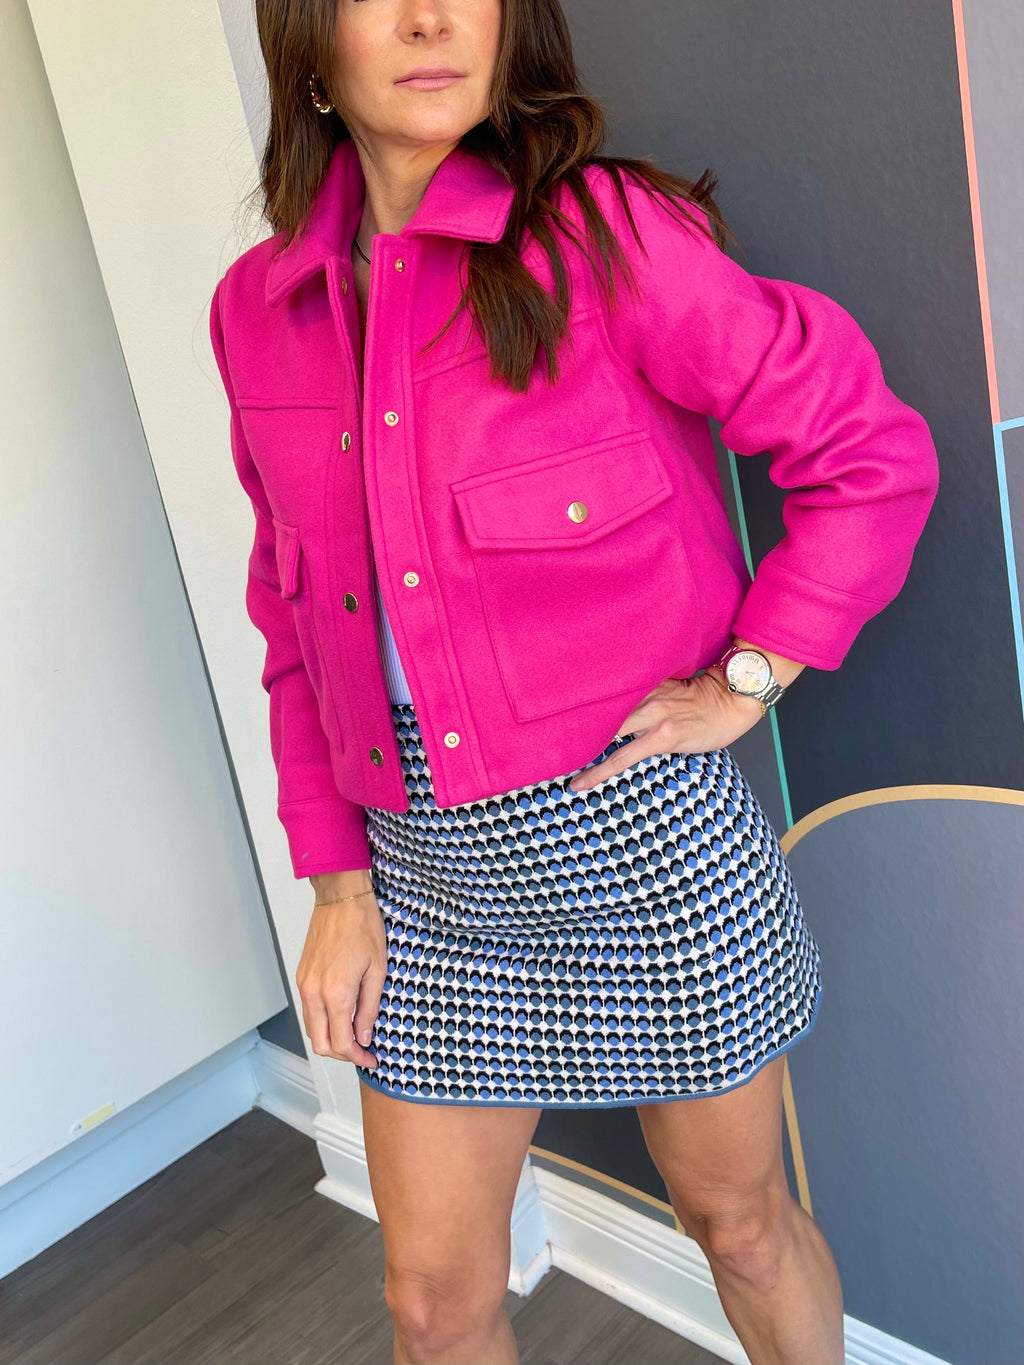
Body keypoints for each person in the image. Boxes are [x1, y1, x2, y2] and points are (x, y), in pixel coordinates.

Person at [208, 2, 939, 1361]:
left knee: (741, 1225)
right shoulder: (261, 310)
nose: (432, 19)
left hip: (642, 848)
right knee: (432, 1301)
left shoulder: (605, 239)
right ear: (308, 43)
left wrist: (748, 676)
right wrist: (338, 886)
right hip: (421, 881)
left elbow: (868, 454)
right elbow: (292, 616)